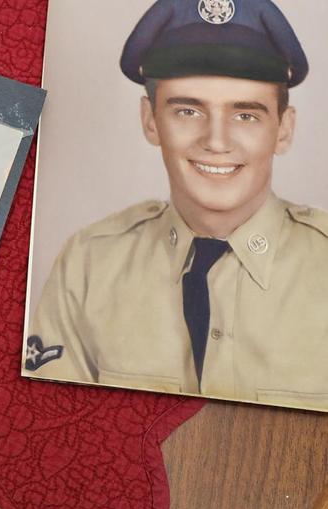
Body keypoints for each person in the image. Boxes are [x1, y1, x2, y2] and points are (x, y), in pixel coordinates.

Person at [25, 0, 328, 409]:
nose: (217, 141)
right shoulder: (89, 264)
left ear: (284, 129)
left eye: (246, 116)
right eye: (188, 110)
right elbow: (53, 427)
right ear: (150, 120)